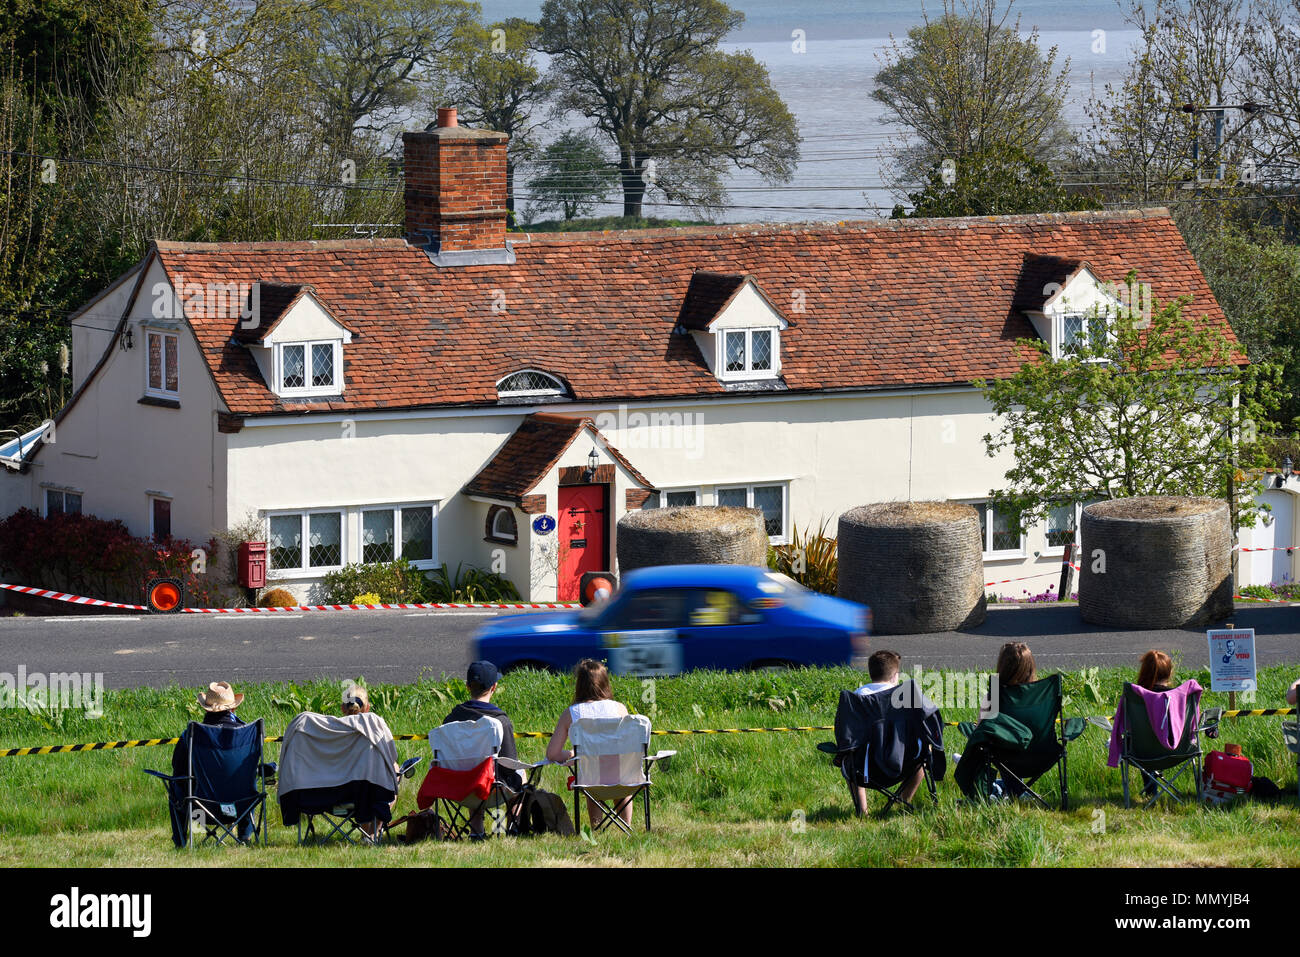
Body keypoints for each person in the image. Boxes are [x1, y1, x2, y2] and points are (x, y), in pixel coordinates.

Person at [546, 659, 631, 829]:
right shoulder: (620, 709)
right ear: (605, 683)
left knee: (590, 768)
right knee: (618, 768)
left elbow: (552, 754)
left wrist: (571, 754)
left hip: (591, 781)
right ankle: (626, 827)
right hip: (626, 779)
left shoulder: (571, 713)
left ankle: (596, 827)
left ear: (579, 685)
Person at [166, 681, 252, 847]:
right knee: (250, 779)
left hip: (201, 809)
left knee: (174, 782)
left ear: (206, 708)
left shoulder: (191, 734)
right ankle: (245, 836)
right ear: (233, 708)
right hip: (239, 807)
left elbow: (177, 767)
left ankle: (180, 842)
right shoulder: (245, 733)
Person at [443, 660, 522, 838]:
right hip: (492, 790)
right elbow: (509, 764)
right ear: (494, 687)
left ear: (467, 686)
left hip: (459, 788)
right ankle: (509, 828)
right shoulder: (500, 721)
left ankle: (476, 831)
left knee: (472, 768)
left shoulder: (450, 720)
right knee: (517, 775)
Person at [842, 650, 925, 807]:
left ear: (871, 673)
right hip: (903, 763)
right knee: (925, 753)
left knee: (850, 757)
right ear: (895, 675)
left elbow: (847, 737)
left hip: (866, 769)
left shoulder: (857, 698)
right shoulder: (907, 696)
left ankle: (862, 810)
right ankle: (902, 801)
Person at [340, 683, 401, 838]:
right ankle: (373, 830)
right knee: (395, 770)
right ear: (367, 708)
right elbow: (391, 755)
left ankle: (365, 830)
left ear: (342, 708)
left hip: (337, 799)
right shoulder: (375, 725)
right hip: (370, 794)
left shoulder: (331, 728)